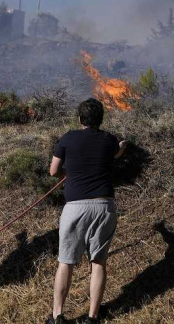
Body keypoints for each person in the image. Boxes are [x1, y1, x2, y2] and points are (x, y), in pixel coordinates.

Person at [47, 98, 128, 324]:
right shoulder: (109, 139)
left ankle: (57, 316)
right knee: (98, 262)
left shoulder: (67, 138)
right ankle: (92, 318)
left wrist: (69, 174)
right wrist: (122, 147)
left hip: (75, 207)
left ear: (80, 119)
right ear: (100, 119)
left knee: (66, 262)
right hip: (104, 206)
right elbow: (116, 154)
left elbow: (53, 171)